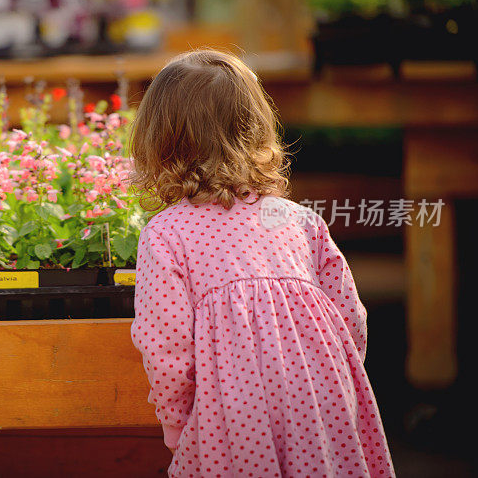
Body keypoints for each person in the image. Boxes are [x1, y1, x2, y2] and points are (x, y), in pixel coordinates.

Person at [129, 49, 394, 477]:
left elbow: (167, 350)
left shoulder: (167, 234)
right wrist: (334, 387)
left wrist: (178, 425)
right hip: (320, 405)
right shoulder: (298, 221)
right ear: (256, 130)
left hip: (233, 415)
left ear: (157, 140)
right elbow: (351, 320)